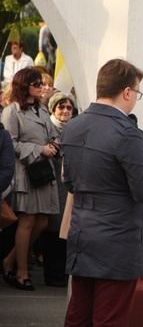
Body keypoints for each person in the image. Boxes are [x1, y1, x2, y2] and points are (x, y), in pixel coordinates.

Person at [61, 58, 143, 326]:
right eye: (137, 92)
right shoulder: (128, 133)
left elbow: (69, 182)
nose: (136, 98)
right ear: (127, 92)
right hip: (118, 241)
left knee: (79, 315)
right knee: (110, 319)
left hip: (82, 234)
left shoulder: (74, 124)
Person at [1, 67, 60, 291]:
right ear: (24, 85)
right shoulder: (12, 111)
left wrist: (54, 143)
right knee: (27, 221)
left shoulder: (41, 110)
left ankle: (10, 260)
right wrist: (39, 149)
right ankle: (21, 273)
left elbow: (53, 133)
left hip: (43, 172)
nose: (41, 86)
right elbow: (10, 144)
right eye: (36, 83)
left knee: (42, 222)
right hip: (26, 172)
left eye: (41, 83)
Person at [41, 92, 77, 287]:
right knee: (51, 230)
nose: (65, 111)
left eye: (69, 107)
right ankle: (51, 274)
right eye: (61, 107)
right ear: (53, 109)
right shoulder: (48, 128)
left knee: (65, 230)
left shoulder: (75, 129)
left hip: (68, 187)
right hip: (50, 184)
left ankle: (62, 273)